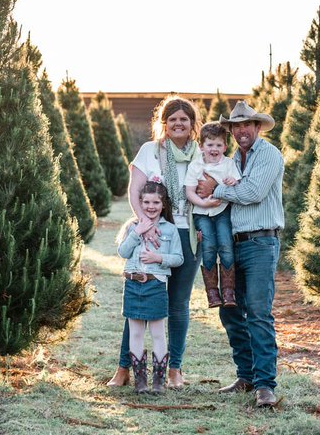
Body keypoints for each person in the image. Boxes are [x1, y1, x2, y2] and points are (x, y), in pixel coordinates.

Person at [105, 96, 202, 390]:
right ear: (164, 123)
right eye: (172, 119)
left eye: (184, 119)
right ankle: (124, 369)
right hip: (154, 233)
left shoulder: (201, 154)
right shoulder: (150, 151)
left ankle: (174, 370)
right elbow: (135, 191)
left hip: (188, 234)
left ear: (192, 124)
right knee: (139, 302)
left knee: (178, 304)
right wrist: (145, 226)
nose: (178, 124)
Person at [195, 100, 285, 408]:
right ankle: (245, 376)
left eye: (247, 124)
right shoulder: (231, 159)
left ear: (258, 127)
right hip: (232, 244)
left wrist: (214, 189)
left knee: (258, 312)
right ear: (231, 130)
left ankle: (265, 385)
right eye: (236, 126)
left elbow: (252, 193)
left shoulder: (269, 155)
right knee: (230, 309)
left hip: (261, 243)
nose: (241, 130)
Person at [117, 180, 183, 393]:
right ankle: (141, 381)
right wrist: (138, 232)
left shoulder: (170, 230)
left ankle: (158, 381)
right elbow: (123, 252)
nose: (151, 206)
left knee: (157, 333)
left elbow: (178, 258)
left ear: (163, 205)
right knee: (135, 333)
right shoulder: (132, 227)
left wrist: (158, 257)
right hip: (133, 285)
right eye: (146, 202)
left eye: (156, 202)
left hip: (155, 286)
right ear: (140, 202)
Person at [184, 122, 241, 308]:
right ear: (201, 146)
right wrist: (203, 203)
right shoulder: (195, 166)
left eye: (218, 145)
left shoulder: (228, 164)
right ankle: (212, 292)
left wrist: (232, 180)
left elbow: (237, 182)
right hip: (202, 213)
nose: (214, 149)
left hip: (222, 211)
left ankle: (228, 290)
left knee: (225, 245)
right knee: (208, 248)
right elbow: (190, 191)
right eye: (210, 145)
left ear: (225, 147)